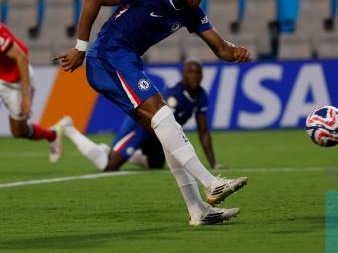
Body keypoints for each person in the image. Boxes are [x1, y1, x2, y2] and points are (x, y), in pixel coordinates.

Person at [54, 0, 251, 226]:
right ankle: (211, 182)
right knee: (163, 114)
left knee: (166, 132)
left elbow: (220, 48)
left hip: (128, 60)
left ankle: (198, 211)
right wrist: (80, 48)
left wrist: (236, 52)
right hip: (108, 56)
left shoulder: (191, 11)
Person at [56, 59, 223, 171]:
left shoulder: (201, 95)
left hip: (158, 133)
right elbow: (155, 121)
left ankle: (130, 155)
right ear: (183, 74)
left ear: (202, 75)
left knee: (156, 165)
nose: (194, 76)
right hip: (140, 126)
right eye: (190, 72)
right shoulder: (174, 95)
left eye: (197, 72)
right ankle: (70, 129)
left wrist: (213, 163)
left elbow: (203, 131)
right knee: (108, 166)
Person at [0, 23, 62, 162]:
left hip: (16, 81)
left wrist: (25, 96)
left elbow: (21, 58)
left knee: (18, 131)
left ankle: (52, 135)